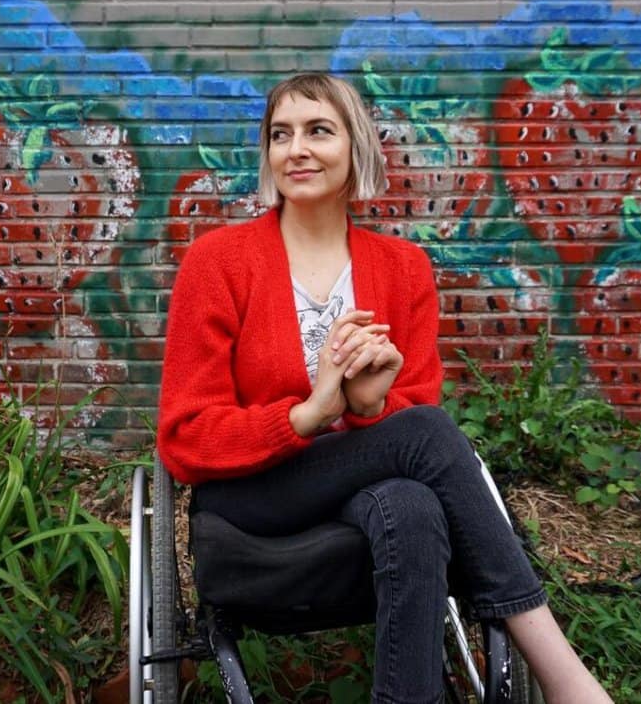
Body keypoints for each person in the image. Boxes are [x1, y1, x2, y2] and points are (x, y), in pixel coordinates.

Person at [158, 72, 614, 704]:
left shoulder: (403, 270)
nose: (297, 149)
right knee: (427, 434)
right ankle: (561, 671)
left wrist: (369, 407)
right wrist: (310, 413)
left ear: (357, 147)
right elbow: (184, 440)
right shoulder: (219, 264)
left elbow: (411, 412)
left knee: (413, 505)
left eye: (319, 130)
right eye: (280, 134)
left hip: (364, 485)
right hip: (253, 496)